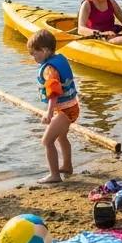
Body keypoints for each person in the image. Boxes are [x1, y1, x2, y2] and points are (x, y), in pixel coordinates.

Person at [27, 28, 79, 184]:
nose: (33, 57)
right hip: (71, 107)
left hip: (64, 110)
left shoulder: (49, 69)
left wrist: (48, 113)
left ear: (43, 50)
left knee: (47, 141)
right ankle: (67, 166)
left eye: (34, 53)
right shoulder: (58, 59)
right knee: (62, 137)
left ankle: (54, 175)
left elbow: (54, 92)